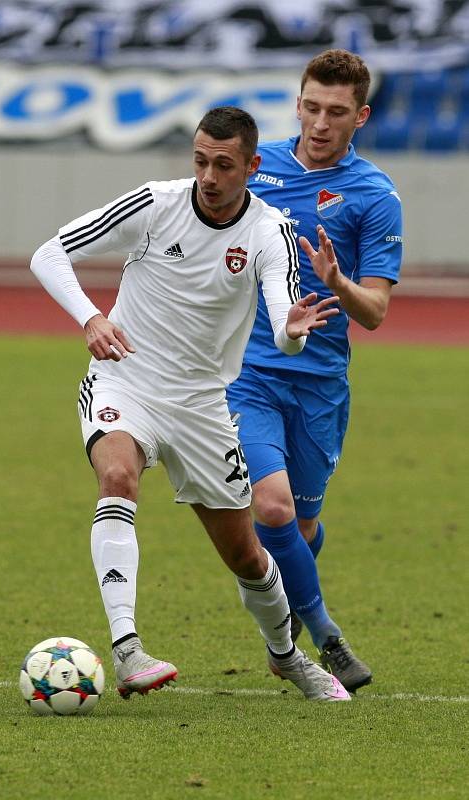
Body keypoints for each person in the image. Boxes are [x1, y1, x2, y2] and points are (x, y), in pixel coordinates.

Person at [30, 106, 351, 702]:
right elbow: (48, 255)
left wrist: (295, 330)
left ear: (251, 166)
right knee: (119, 477)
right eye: (200, 159)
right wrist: (92, 318)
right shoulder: (156, 202)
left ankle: (287, 657)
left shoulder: (267, 231)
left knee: (248, 557)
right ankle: (127, 650)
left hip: (203, 405)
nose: (208, 174)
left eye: (223, 164)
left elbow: (282, 326)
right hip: (125, 381)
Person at [227, 50, 403, 692]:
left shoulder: (375, 195)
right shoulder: (254, 166)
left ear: (361, 116)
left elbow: (377, 311)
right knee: (270, 509)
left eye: (336, 112)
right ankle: (327, 638)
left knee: (298, 527)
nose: (320, 123)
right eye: (310, 107)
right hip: (247, 372)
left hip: (322, 385)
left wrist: (338, 282)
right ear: (297, 103)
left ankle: (281, 640)